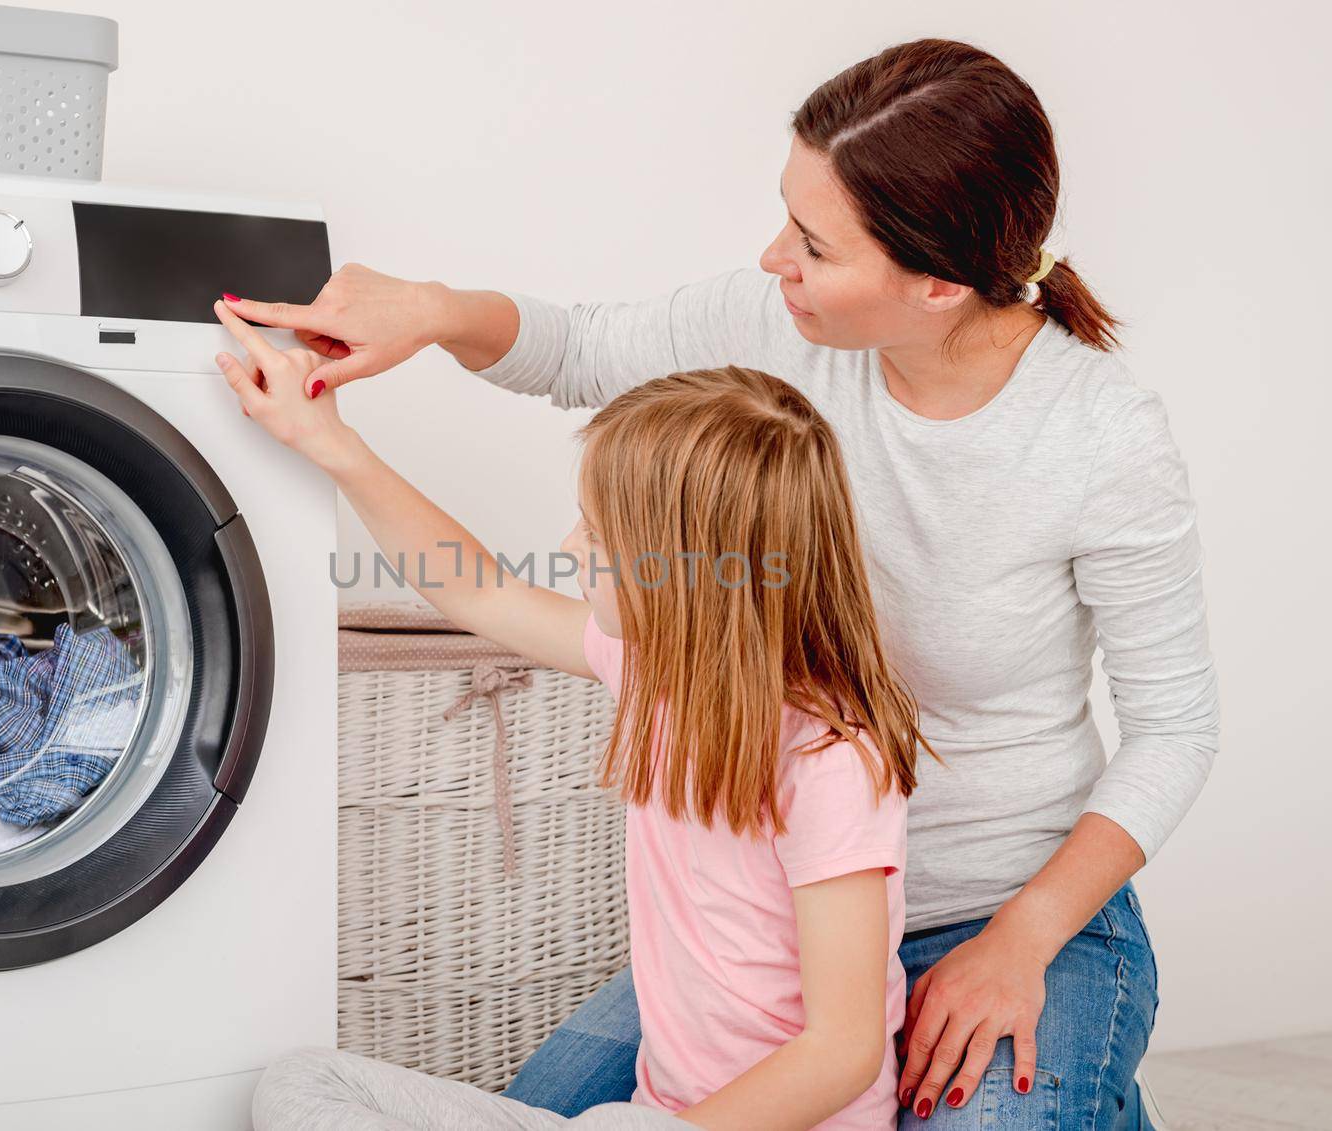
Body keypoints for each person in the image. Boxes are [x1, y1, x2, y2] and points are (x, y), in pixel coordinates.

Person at [218, 36, 1218, 1129]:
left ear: (935, 283)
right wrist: (423, 325)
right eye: (787, 214)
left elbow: (1175, 730)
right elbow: (573, 368)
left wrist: (1019, 940)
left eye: (813, 243)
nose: (770, 258)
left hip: (1005, 910)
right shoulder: (777, 336)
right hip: (772, 938)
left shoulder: (1097, 439)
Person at [214, 319, 926, 1129]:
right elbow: (477, 591)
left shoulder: (830, 762)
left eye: (595, 532)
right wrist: (331, 444)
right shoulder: (659, 672)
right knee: (300, 1085)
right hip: (649, 1115)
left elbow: (843, 1048)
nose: (567, 545)